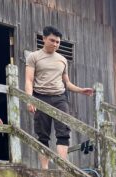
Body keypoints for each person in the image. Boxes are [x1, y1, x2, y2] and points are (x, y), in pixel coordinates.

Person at [25, 25, 93, 169]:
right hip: (40, 96)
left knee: (63, 132)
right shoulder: (34, 57)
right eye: (52, 40)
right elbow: (29, 80)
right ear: (44, 39)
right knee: (42, 134)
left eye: (58, 42)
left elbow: (66, 82)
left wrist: (81, 90)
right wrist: (29, 99)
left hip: (60, 98)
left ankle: (63, 168)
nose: (55, 44)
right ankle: (45, 169)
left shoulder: (62, 59)